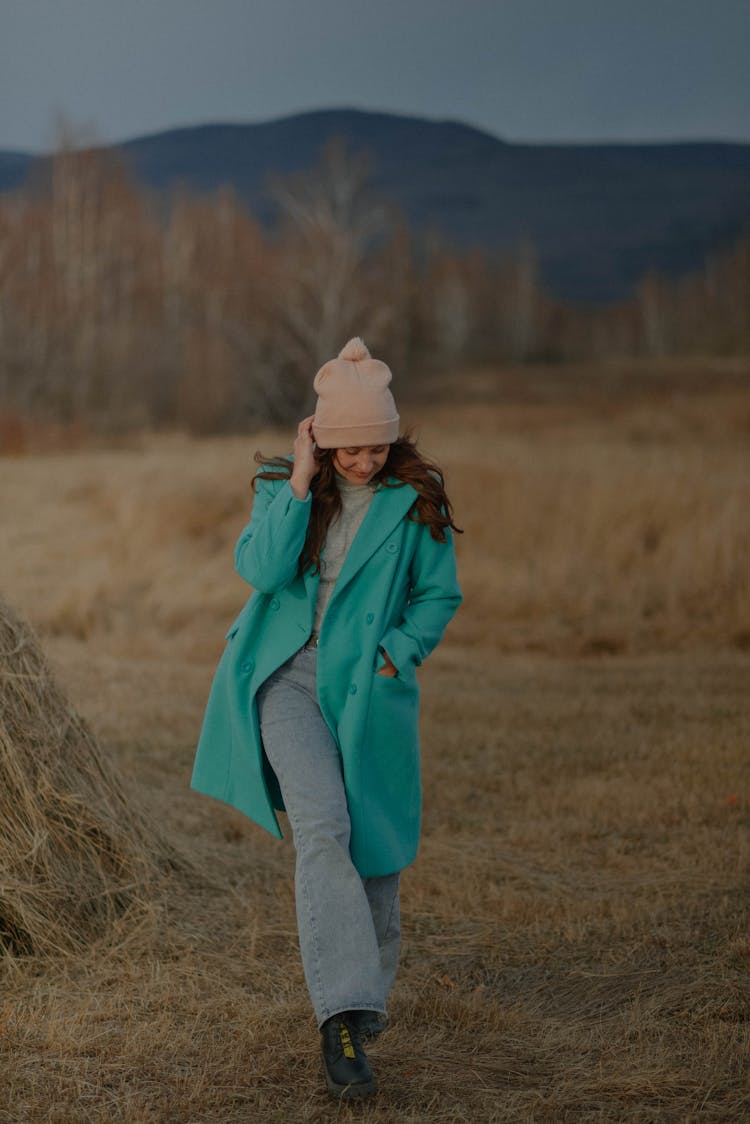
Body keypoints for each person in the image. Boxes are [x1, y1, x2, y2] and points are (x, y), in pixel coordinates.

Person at [191, 337, 462, 1100]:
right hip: (289, 679)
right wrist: (302, 483)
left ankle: (363, 1001)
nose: (364, 461)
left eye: (376, 445)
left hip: (367, 687)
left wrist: (398, 653)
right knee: (323, 827)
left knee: (373, 845)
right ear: (321, 435)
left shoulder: (416, 500)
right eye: (347, 447)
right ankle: (340, 1019)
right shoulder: (287, 484)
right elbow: (261, 570)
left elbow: (437, 596)